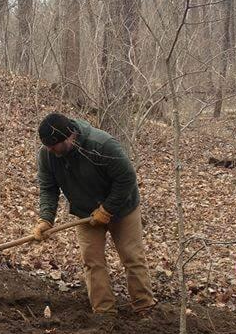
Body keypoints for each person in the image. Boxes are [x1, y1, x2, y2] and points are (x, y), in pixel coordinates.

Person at [33, 112, 154, 318]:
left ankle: (144, 307)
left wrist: (107, 209)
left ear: (69, 137)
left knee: (132, 257)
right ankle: (104, 312)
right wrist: (46, 218)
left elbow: (126, 179)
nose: (50, 151)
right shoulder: (47, 155)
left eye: (54, 146)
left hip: (123, 208)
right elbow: (48, 188)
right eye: (47, 147)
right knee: (92, 261)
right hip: (85, 212)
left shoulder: (102, 144)